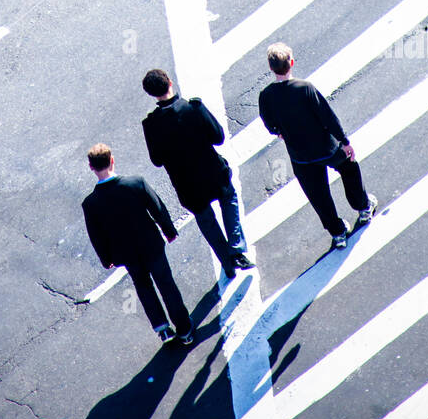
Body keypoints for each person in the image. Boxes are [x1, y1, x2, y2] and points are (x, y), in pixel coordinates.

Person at [258, 42, 377, 250]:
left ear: (271, 68)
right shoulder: (305, 88)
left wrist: (280, 133)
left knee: (318, 196)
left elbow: (270, 125)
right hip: (326, 148)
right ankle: (363, 207)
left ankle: (338, 233)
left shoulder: (266, 96)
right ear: (291, 63)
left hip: (300, 156)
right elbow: (327, 117)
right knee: (349, 168)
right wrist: (345, 141)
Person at [141, 69, 254, 279]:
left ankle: (227, 263)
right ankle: (237, 250)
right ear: (169, 82)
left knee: (207, 221)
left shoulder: (151, 125)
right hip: (213, 173)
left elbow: (156, 161)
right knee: (229, 201)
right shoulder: (193, 107)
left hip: (187, 186)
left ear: (151, 94)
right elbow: (218, 136)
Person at [82, 143, 194, 345]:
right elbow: (157, 207)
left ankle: (162, 329)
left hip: (125, 254)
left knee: (143, 287)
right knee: (166, 284)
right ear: (112, 160)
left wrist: (106, 258)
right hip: (151, 245)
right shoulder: (135, 183)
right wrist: (168, 230)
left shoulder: (90, 203)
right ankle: (184, 329)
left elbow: (96, 235)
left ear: (91, 167)